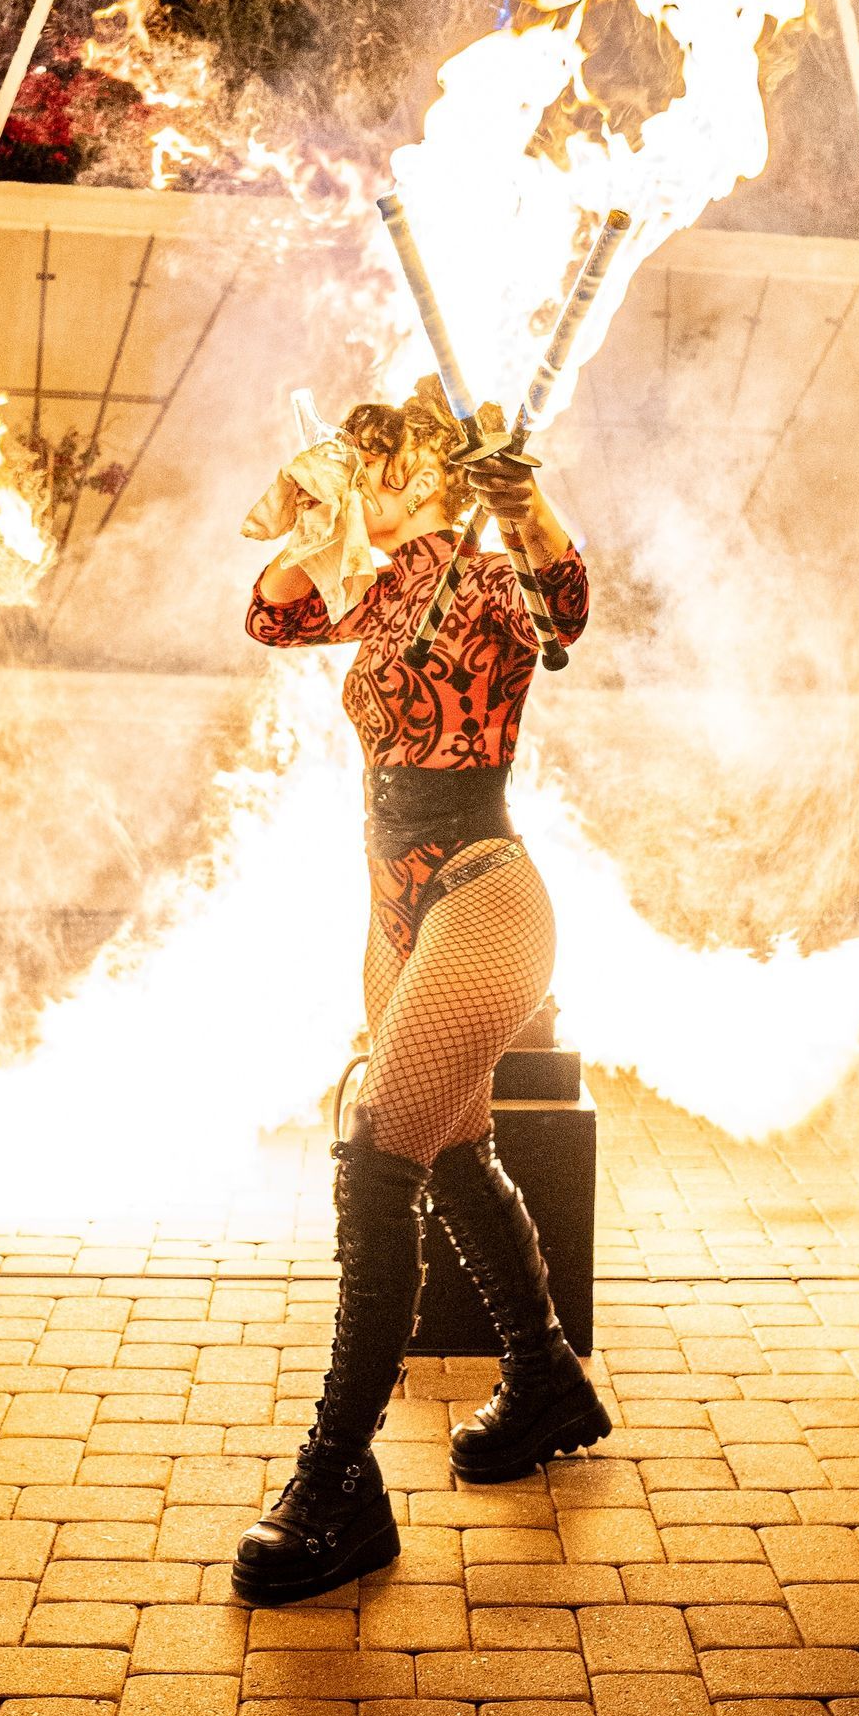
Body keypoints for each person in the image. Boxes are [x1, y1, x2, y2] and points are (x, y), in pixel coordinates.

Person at [232, 378, 609, 1605]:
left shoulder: (489, 578)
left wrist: (530, 510)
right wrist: (311, 512)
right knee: (448, 1148)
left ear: (441, 480)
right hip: (392, 909)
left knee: (375, 1150)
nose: (369, 479)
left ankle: (339, 1475)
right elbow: (272, 614)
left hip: (482, 892)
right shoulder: (387, 585)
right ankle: (544, 1376)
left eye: (386, 466)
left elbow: (566, 610)